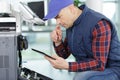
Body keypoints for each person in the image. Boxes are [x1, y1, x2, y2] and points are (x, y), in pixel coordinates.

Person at [43, 0, 120, 80]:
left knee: (81, 77)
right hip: (89, 70)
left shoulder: (99, 24)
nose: (57, 23)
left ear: (71, 9)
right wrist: (58, 42)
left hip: (112, 69)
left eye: (59, 16)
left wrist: (68, 66)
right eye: (55, 19)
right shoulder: (71, 25)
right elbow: (64, 55)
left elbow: (99, 64)